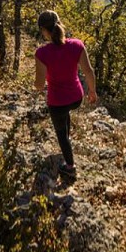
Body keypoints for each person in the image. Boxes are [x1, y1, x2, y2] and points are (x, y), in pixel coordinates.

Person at [34, 10, 97, 180]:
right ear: (60, 24)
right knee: (65, 115)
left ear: (43, 31)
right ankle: (68, 142)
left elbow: (39, 85)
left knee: (61, 134)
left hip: (57, 102)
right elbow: (89, 72)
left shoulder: (42, 53)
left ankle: (70, 166)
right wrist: (92, 91)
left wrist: (38, 84)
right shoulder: (77, 45)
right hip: (76, 98)